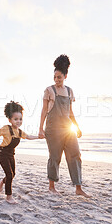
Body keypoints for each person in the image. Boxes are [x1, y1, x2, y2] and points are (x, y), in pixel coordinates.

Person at [38, 54, 91, 198]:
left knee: (75, 155)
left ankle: (78, 187)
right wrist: (40, 128)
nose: (56, 80)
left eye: (59, 77)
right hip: (53, 128)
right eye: (55, 77)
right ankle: (51, 187)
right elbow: (44, 110)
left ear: (65, 76)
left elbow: (71, 112)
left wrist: (77, 127)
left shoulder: (69, 91)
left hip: (68, 129)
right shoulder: (49, 90)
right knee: (55, 157)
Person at [0, 101, 38, 204]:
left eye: (20, 119)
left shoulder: (19, 132)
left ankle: (2, 182)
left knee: (12, 174)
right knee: (9, 174)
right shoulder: (6, 128)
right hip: (2, 153)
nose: (18, 121)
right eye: (16, 119)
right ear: (10, 120)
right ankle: (8, 196)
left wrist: (40, 136)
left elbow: (29, 137)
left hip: (11, 154)